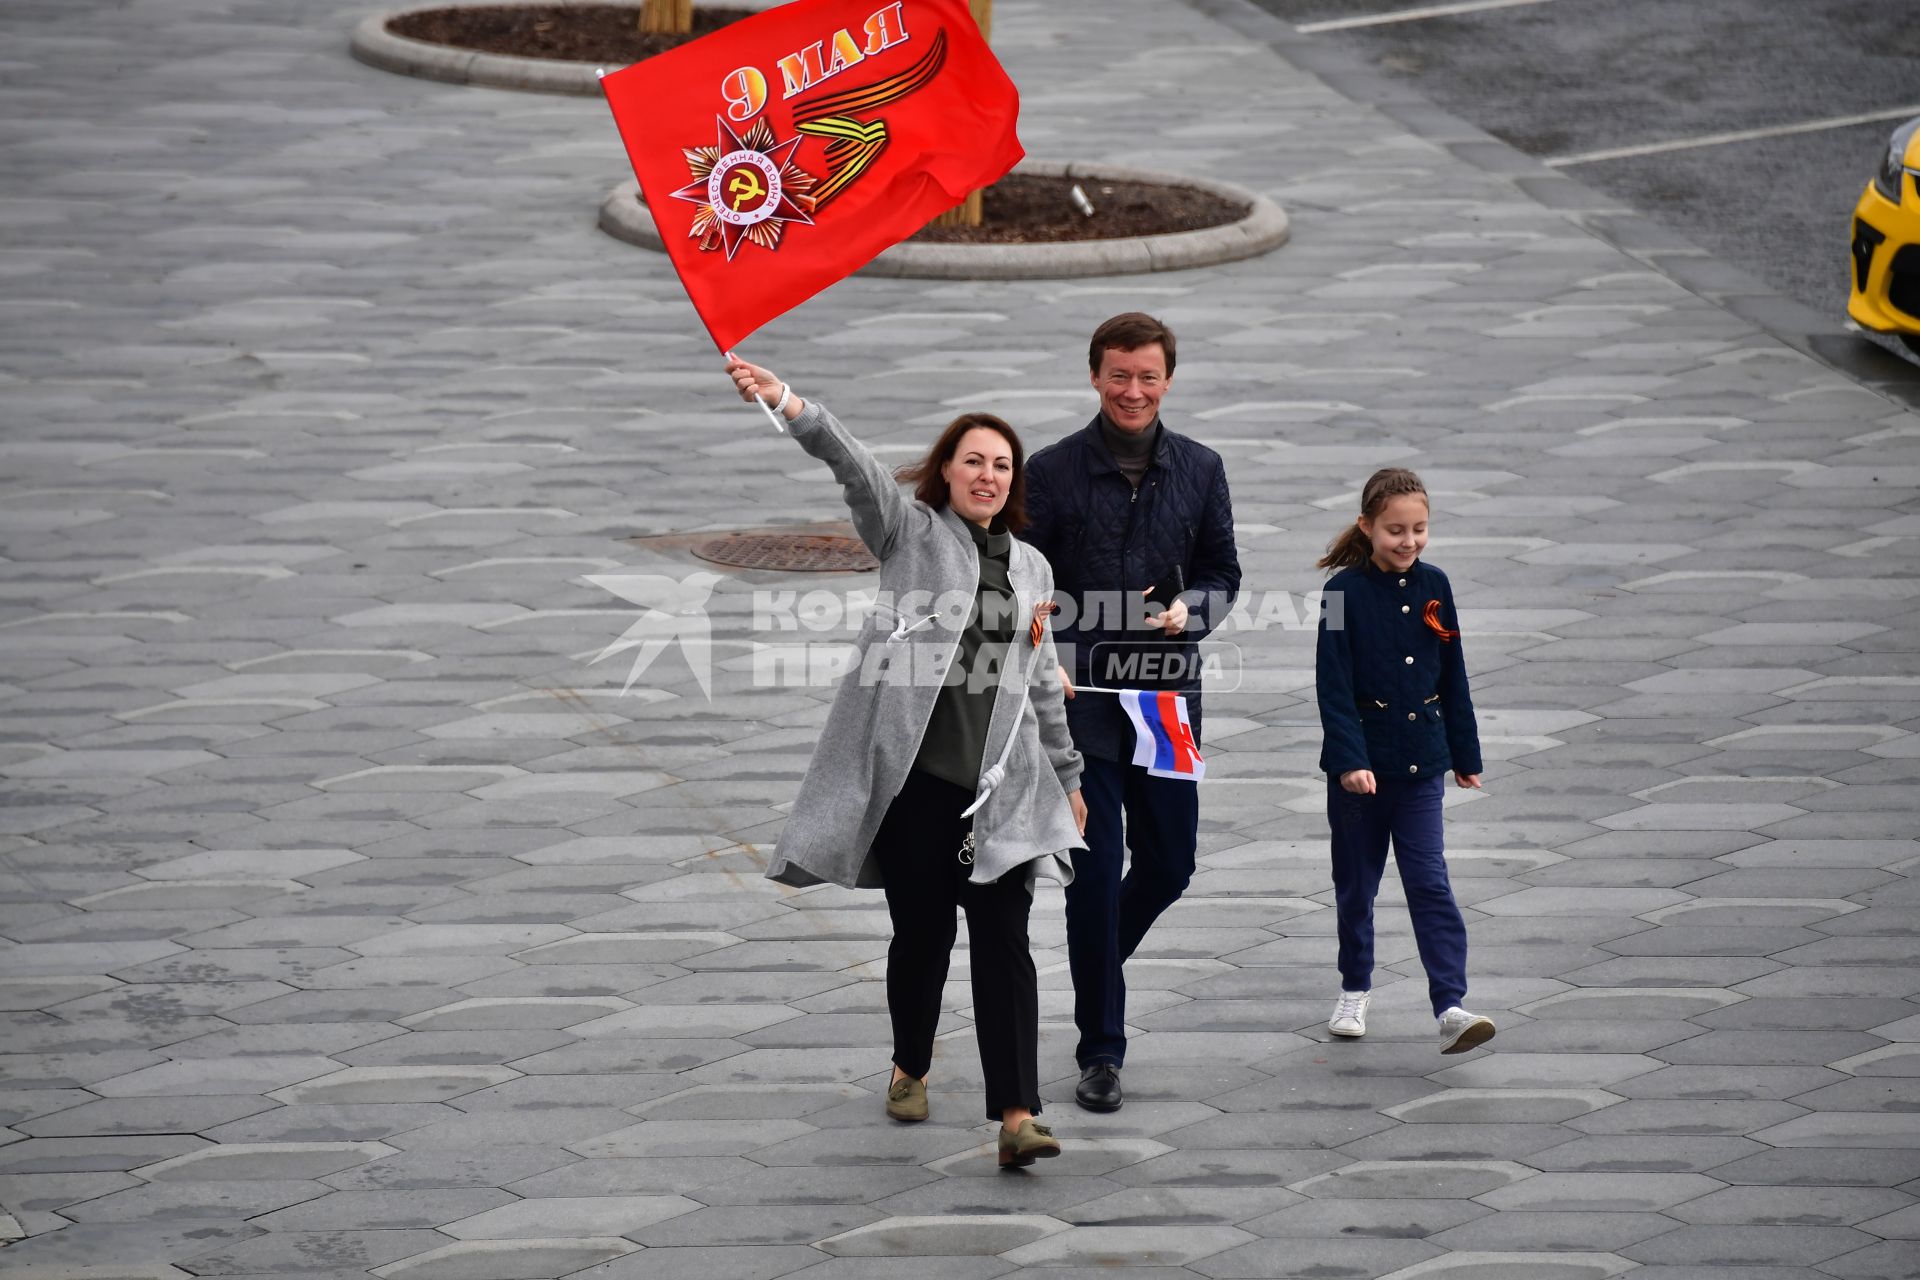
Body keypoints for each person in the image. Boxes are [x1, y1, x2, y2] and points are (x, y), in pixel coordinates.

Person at [725, 354, 1089, 1168]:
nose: (988, 476)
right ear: (947, 471)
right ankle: (910, 1065)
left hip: (1002, 795)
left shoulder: (1032, 569)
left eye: (1002, 465)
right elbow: (851, 465)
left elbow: (1039, 684)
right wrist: (789, 400)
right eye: (974, 461)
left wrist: (1069, 779)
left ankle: (1018, 1116)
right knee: (921, 939)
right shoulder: (910, 533)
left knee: (1005, 945)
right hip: (918, 792)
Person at [1019, 313, 1241, 1112]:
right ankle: (1101, 1053)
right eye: (1120, 375)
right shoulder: (1050, 471)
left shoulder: (1202, 468)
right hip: (1083, 709)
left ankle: (1092, 964)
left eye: (1148, 377)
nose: (1134, 391)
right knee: (1092, 879)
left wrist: (1195, 610)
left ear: (1169, 380)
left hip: (1167, 698)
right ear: (1094, 376)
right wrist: (1052, 657)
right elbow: (1025, 581)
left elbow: (1222, 568)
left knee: (1171, 865)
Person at [1314, 466, 1495, 1054]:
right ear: (1367, 527)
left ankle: (1451, 1005)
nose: (1409, 541)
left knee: (1430, 884)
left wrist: (1464, 754)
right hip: (1360, 779)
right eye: (1396, 530)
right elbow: (1332, 682)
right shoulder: (1340, 594)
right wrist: (1348, 760)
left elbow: (1454, 675)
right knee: (1355, 887)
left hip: (1422, 768)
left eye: (1419, 529)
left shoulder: (1435, 586)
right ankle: (1354, 987)